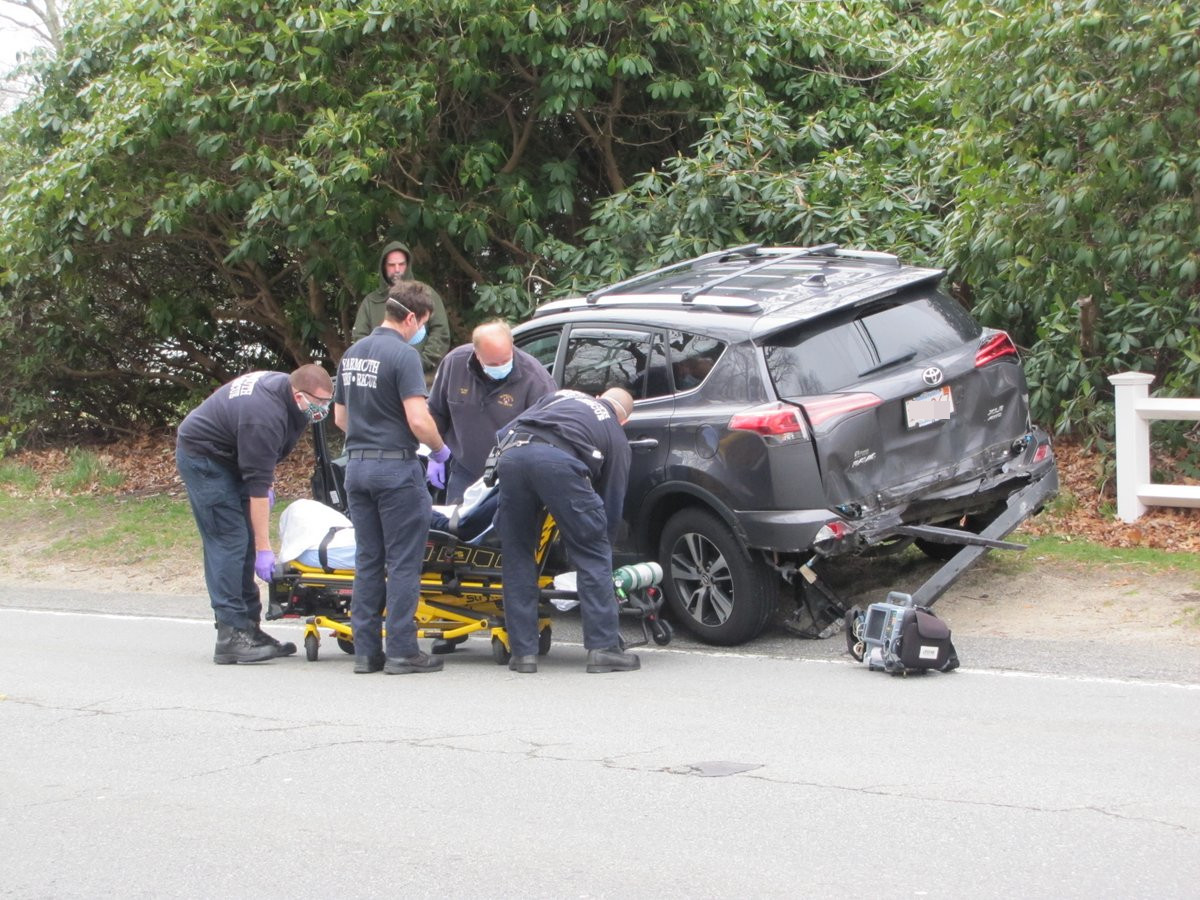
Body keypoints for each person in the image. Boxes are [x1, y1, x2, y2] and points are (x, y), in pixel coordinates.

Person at [176, 364, 334, 664]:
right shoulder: (263, 417)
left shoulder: (292, 403)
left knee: (241, 540)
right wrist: (265, 548)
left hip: (232, 456)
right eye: (318, 402)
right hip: (205, 458)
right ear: (297, 394)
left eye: (327, 401)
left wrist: (263, 485)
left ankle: (249, 628)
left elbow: (265, 461)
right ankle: (230, 636)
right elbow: (257, 488)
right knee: (230, 540)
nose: (322, 409)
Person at [334, 280, 452, 674]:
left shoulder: (352, 353)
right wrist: (439, 450)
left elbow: (340, 418)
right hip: (394, 468)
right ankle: (403, 650)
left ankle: (367, 652)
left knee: (369, 560)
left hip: (356, 468)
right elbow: (419, 419)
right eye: (424, 323)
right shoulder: (403, 356)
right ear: (414, 317)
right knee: (403, 561)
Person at [495, 387, 640, 674]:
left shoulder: (561, 396)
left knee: (518, 554)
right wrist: (601, 539)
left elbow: (505, 430)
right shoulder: (615, 432)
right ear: (624, 420)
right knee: (593, 553)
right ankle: (603, 649)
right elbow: (612, 497)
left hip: (511, 456)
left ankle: (522, 653)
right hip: (557, 462)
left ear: (599, 396)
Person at [427, 320, 556, 504]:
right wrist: (436, 453)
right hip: (465, 470)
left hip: (511, 476)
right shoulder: (455, 364)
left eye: (505, 360)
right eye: (493, 363)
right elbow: (436, 412)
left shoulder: (536, 380)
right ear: (477, 354)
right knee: (456, 529)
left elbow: (550, 435)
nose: (500, 366)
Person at [351, 239, 450, 375]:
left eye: (401, 264)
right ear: (383, 267)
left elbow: (440, 332)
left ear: (408, 265)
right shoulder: (371, 301)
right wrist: (378, 367)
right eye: (391, 265)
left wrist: (419, 363)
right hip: (382, 377)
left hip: (422, 377)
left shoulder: (425, 294)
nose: (397, 270)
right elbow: (360, 339)